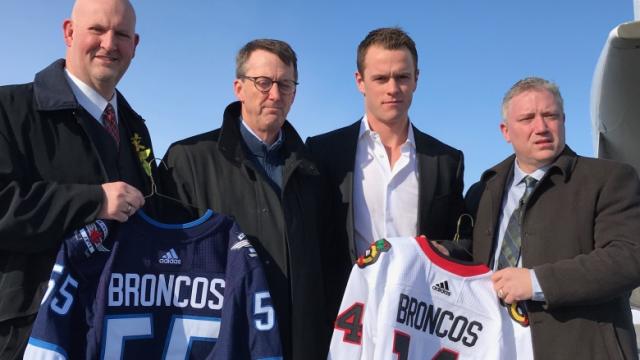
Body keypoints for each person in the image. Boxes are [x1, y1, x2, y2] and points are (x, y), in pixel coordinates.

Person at [0, 0, 154, 357]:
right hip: (30, 335)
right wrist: (95, 202)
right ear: (69, 32)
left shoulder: (136, 130)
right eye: (97, 30)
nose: (109, 44)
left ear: (135, 45)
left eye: (121, 34)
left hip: (119, 332)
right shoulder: (9, 110)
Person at [159, 39, 328, 359]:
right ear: (239, 87)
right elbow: (165, 266)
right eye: (263, 82)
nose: (275, 94)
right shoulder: (188, 161)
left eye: (286, 84)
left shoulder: (313, 171)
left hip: (297, 344)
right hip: (224, 344)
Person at [465, 77, 640, 359]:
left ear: (564, 120)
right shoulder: (484, 189)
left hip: (581, 349)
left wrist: (537, 282)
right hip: (497, 346)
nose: (541, 128)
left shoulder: (609, 179)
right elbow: (470, 254)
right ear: (505, 131)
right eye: (527, 118)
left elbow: (628, 258)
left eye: (550, 116)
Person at [306, 27, 465, 321]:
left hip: (419, 318)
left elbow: (463, 239)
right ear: (360, 81)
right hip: (344, 316)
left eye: (402, 77)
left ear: (416, 79)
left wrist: (439, 249)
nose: (393, 88)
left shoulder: (446, 160)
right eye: (380, 78)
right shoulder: (322, 152)